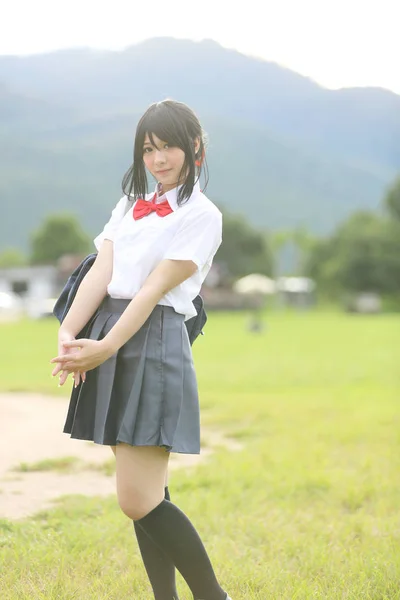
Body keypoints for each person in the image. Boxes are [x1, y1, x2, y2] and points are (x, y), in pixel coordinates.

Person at [50, 99, 231, 600]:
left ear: (194, 145)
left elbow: (153, 289)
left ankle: (214, 596)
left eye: (168, 145)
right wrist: (69, 334)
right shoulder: (129, 204)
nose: (158, 159)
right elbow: (101, 272)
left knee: (136, 499)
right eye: (148, 149)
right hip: (111, 329)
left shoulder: (202, 214)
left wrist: (104, 347)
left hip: (151, 340)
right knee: (147, 490)